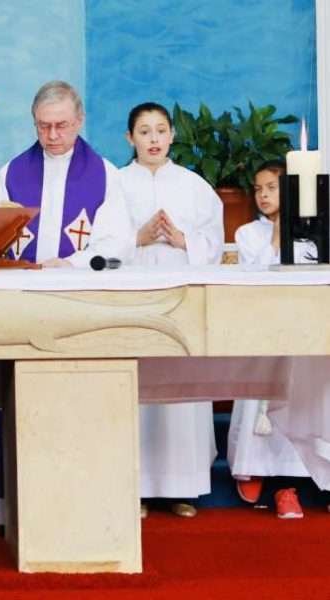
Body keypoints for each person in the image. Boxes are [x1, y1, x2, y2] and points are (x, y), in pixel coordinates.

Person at [119, 102, 224, 518]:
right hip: (134, 299)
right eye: (144, 131)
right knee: (137, 386)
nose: (154, 139)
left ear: (172, 136)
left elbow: (214, 240)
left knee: (180, 387)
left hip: (181, 299)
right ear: (130, 138)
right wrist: (137, 238)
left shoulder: (194, 186)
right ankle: (136, 488)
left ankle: (182, 487)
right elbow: (97, 242)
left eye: (161, 130)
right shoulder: (116, 184)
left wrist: (184, 240)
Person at [230, 161, 315, 518]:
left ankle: (295, 482)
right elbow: (256, 274)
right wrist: (278, 237)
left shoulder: (313, 231)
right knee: (260, 397)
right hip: (262, 325)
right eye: (258, 189)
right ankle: (257, 468)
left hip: (302, 326)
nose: (263, 195)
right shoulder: (248, 233)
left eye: (271, 188)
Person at [0, 80, 134, 267]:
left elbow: (117, 243)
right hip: (22, 281)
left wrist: (71, 264)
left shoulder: (105, 175)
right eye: (43, 126)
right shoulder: (11, 174)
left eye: (61, 125)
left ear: (79, 121)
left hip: (79, 281)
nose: (52, 135)